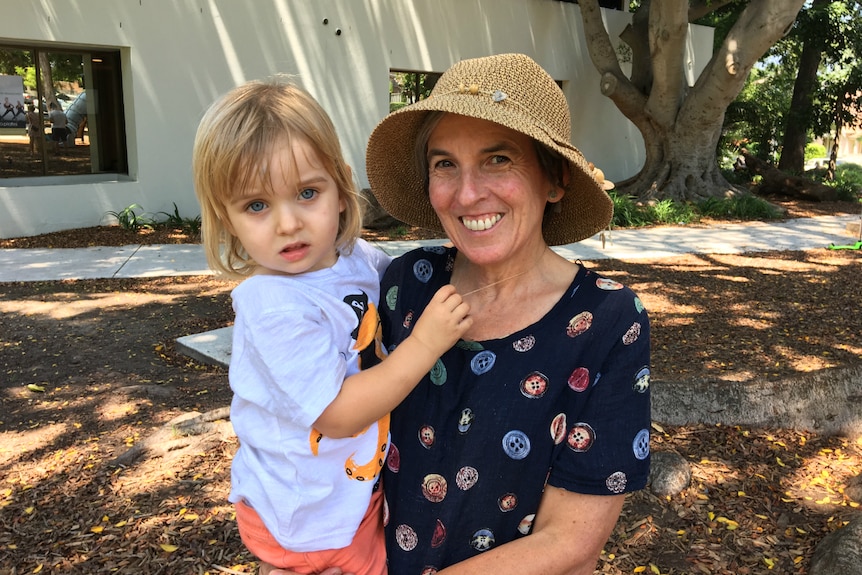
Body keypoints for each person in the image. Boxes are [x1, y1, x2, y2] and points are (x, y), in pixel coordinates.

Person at [265, 53, 651, 575]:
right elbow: (331, 427)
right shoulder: (405, 285)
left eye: (498, 159)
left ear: (554, 180)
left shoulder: (606, 320)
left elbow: (570, 542)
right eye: (445, 163)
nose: (468, 194)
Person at [192, 77, 471, 575]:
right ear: (227, 218)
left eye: (306, 193)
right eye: (256, 205)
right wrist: (426, 344)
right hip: (303, 518)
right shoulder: (272, 304)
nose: (287, 223)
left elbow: (405, 293)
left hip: (345, 495)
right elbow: (337, 416)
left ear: (341, 189)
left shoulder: (357, 259)